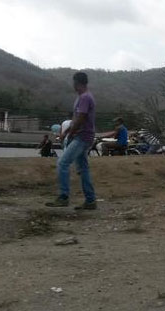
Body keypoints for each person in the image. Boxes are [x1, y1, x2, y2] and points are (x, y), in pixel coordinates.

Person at [45, 72, 97, 210]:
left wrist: (72, 133)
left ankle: (63, 197)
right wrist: (66, 133)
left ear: (77, 82)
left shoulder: (85, 97)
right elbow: (76, 118)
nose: (72, 85)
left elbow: (81, 118)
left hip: (82, 136)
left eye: (73, 82)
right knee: (83, 169)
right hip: (83, 136)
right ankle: (91, 200)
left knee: (63, 163)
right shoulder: (82, 97)